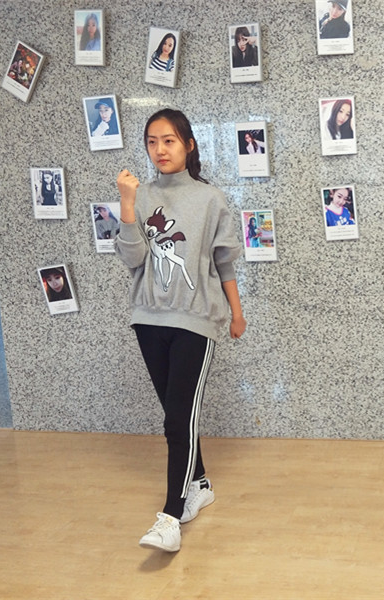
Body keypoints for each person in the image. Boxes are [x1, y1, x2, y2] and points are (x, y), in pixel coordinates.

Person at [115, 108, 246, 553]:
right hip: (148, 319)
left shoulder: (211, 199)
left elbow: (224, 262)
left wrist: (236, 313)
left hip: (195, 319)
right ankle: (201, 484)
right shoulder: (140, 195)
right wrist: (127, 205)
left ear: (188, 145)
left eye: (168, 140)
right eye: (152, 141)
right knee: (178, 414)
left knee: (177, 418)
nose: (160, 149)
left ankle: (171, 517)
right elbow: (133, 259)